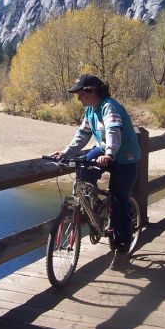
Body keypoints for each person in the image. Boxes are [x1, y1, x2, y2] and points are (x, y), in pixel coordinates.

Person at [49, 74, 141, 269]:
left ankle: (123, 246)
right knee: (85, 165)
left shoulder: (109, 107)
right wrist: (65, 152)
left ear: (92, 92)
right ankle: (95, 206)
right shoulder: (91, 111)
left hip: (125, 156)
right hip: (105, 150)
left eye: (81, 94)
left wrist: (109, 153)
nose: (78, 98)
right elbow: (82, 135)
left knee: (119, 200)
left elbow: (113, 131)